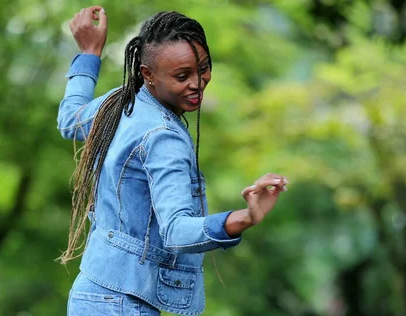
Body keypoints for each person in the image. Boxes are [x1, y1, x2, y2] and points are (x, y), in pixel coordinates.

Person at [57, 6, 289, 316]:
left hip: (94, 294)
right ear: (148, 74)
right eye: (182, 76)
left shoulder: (121, 102)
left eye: (204, 67)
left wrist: (89, 53)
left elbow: (70, 120)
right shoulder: (163, 138)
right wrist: (245, 217)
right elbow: (176, 231)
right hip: (124, 303)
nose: (198, 82)